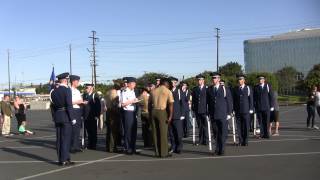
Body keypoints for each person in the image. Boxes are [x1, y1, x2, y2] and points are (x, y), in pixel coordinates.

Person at [50, 72, 75, 166]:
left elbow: (52, 106)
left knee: (59, 139)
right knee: (66, 139)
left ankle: (61, 159)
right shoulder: (67, 89)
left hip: (57, 116)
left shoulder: (53, 91)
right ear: (66, 80)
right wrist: (72, 117)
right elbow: (69, 104)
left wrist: (54, 117)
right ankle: (65, 159)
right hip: (65, 116)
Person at [207, 72, 233, 156]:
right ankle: (217, 149)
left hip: (222, 114)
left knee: (222, 133)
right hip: (213, 114)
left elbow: (229, 102)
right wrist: (208, 113)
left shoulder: (225, 89)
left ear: (218, 79)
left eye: (215, 78)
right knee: (215, 133)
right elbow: (208, 102)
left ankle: (222, 149)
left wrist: (229, 113)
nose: (213, 79)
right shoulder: (210, 89)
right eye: (213, 78)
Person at [149, 78, 174, 158]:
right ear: (166, 84)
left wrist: (150, 114)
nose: (169, 86)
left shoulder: (153, 91)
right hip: (161, 112)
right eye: (169, 84)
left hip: (153, 111)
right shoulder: (167, 91)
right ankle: (164, 153)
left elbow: (149, 104)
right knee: (163, 133)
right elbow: (171, 105)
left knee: (155, 133)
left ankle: (157, 152)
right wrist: (170, 116)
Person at [232, 74, 253, 146]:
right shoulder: (235, 89)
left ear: (244, 80)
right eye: (238, 79)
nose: (239, 81)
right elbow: (234, 100)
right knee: (239, 127)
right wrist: (233, 109)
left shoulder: (248, 88)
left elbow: (251, 99)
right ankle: (240, 141)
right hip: (238, 110)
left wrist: (251, 108)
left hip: (246, 110)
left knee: (246, 126)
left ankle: (246, 140)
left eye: (241, 79)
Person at [120, 77, 139, 155]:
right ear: (129, 84)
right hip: (128, 112)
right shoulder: (124, 91)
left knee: (134, 131)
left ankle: (133, 147)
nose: (135, 84)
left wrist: (136, 101)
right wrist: (132, 101)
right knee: (128, 131)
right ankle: (127, 148)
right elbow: (123, 104)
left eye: (135, 83)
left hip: (133, 112)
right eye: (133, 83)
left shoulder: (132, 91)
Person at [83, 83, 101, 150]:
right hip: (86, 116)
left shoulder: (95, 95)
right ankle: (89, 144)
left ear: (91, 88)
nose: (86, 89)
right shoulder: (85, 95)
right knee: (88, 131)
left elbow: (98, 106)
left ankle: (93, 145)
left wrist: (97, 115)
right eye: (86, 87)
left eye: (87, 87)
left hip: (93, 116)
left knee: (93, 131)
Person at [191, 74, 208, 145]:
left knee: (205, 126)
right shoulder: (195, 89)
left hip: (205, 110)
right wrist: (193, 108)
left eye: (200, 80)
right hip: (197, 110)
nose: (199, 81)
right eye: (198, 80)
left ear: (203, 80)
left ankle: (206, 140)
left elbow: (209, 100)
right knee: (200, 126)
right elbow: (194, 100)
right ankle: (201, 140)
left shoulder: (207, 88)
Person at [69, 75, 84, 153]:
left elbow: (80, 99)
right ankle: (72, 147)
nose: (78, 82)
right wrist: (77, 102)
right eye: (77, 81)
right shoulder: (69, 90)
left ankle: (76, 146)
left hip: (78, 110)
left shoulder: (77, 91)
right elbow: (69, 102)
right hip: (73, 110)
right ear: (73, 81)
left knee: (78, 129)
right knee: (73, 129)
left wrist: (82, 102)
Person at [169, 77, 184, 154]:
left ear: (175, 83)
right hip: (169, 115)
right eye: (171, 82)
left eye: (173, 82)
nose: (172, 84)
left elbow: (182, 103)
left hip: (177, 114)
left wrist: (182, 114)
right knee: (171, 133)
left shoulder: (179, 91)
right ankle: (173, 146)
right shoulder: (168, 91)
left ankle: (179, 147)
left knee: (178, 133)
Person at [105, 84, 122, 152]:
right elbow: (115, 105)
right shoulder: (115, 94)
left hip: (108, 112)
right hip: (113, 113)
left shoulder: (108, 92)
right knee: (113, 131)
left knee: (109, 131)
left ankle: (108, 147)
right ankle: (112, 148)